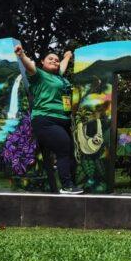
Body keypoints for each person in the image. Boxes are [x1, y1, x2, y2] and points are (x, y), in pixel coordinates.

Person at [14, 45, 83, 195]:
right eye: (50, 59)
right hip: (45, 120)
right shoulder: (38, 75)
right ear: (42, 62)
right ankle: (66, 186)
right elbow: (29, 66)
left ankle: (67, 185)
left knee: (70, 153)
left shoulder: (59, 77)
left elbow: (62, 66)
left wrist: (67, 57)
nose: (54, 61)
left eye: (56, 60)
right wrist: (22, 55)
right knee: (63, 146)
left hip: (63, 120)